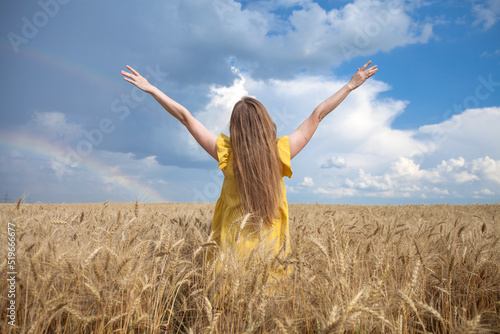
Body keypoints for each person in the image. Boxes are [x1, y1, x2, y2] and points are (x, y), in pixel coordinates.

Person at [121, 61, 377, 278]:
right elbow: (318, 114)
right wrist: (350, 85)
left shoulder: (227, 154)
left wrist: (153, 89)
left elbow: (185, 117)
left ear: (235, 129)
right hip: (272, 262)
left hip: (228, 264)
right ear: (267, 124)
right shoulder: (281, 153)